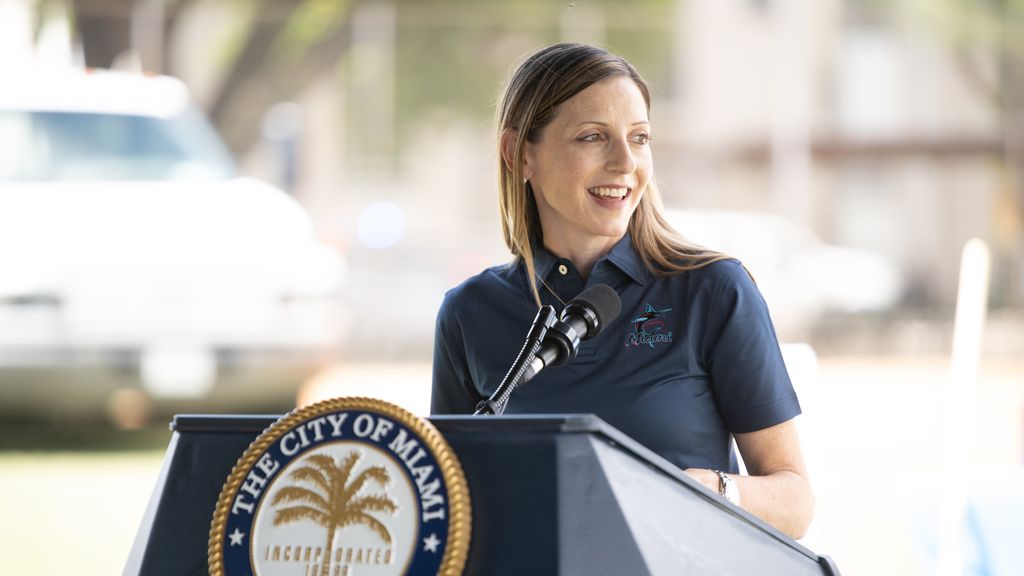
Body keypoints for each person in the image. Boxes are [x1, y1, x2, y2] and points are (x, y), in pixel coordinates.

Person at [430, 43, 814, 539]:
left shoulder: (713, 290)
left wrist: (704, 489)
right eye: (593, 137)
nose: (624, 162)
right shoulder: (468, 314)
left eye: (639, 138)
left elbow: (795, 502)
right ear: (519, 154)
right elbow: (445, 503)